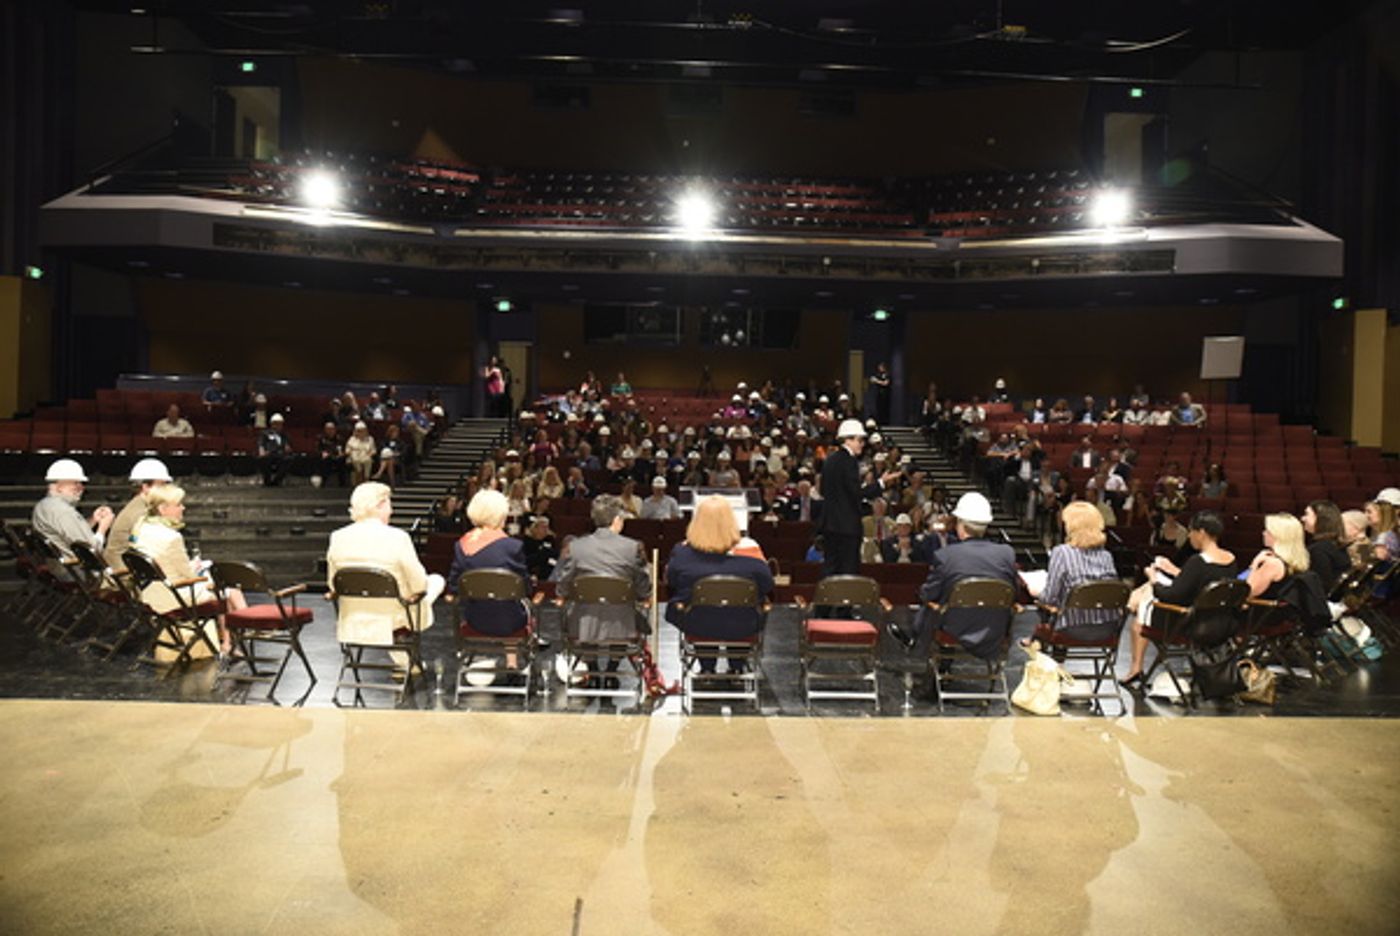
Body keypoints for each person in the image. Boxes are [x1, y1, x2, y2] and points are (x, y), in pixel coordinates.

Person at [326, 482, 444, 657]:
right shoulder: (398, 538)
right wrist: (413, 592)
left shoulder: (337, 537)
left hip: (353, 618)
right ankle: (406, 661)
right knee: (435, 581)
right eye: (389, 504)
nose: (391, 510)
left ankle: (405, 662)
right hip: (394, 618)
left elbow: (333, 584)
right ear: (379, 506)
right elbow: (419, 585)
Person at [1122, 510, 1238, 687]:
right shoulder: (1230, 559)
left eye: (1191, 531)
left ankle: (1136, 667)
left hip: (1187, 623)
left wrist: (1152, 577)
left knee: (1140, 617)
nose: (1189, 535)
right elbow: (1199, 581)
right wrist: (1171, 569)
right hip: (1217, 622)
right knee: (1145, 595)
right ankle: (1133, 602)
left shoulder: (1197, 561)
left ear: (1202, 533)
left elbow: (1170, 596)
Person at [130, 485, 246, 658]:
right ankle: (233, 641)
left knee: (218, 584)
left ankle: (231, 641)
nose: (183, 508)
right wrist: (197, 569)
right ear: (163, 509)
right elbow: (188, 576)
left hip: (149, 592)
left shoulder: (141, 528)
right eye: (178, 504)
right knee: (229, 589)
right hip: (173, 595)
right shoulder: (172, 537)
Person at [664, 495, 774, 673]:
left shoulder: (681, 554)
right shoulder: (751, 551)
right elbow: (767, 585)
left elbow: (672, 581)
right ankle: (737, 667)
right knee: (740, 610)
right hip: (743, 624)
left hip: (696, 622)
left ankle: (707, 668)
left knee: (701, 611)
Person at [555, 495, 652, 682]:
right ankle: (611, 670)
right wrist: (644, 596)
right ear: (617, 520)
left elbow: (564, 584)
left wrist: (563, 596)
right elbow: (643, 587)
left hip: (583, 623)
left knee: (589, 613)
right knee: (621, 614)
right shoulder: (632, 548)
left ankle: (593, 669)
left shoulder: (576, 548)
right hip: (623, 624)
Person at [909, 492, 1018, 659]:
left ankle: (915, 643)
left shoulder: (946, 555)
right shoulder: (1007, 554)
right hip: (995, 628)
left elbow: (929, 594)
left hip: (955, 628)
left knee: (928, 607)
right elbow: (1013, 593)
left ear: (960, 525)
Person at [819, 419, 901, 576]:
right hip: (847, 527)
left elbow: (824, 490)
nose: (862, 444)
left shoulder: (830, 460)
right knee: (848, 572)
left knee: (830, 570)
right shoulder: (849, 461)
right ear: (848, 439)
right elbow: (856, 493)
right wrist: (881, 483)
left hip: (830, 526)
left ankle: (826, 600)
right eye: (859, 440)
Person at [1030, 501, 1121, 641]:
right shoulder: (1106, 556)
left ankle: (1041, 654)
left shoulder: (1061, 552)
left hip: (1072, 628)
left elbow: (1050, 597)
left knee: (1034, 615)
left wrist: (1035, 591)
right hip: (1109, 628)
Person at [446, 489, 531, 636]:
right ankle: (512, 659)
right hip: (511, 621)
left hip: (476, 620)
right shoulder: (513, 547)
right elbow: (525, 588)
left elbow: (454, 586)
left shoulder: (461, 545)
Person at [31, 459, 113, 560]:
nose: (81, 488)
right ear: (59, 487)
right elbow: (92, 551)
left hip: (57, 566)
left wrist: (93, 520)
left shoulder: (43, 505)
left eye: (81, 483)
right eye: (75, 483)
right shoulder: (63, 511)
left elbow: (68, 531)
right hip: (73, 568)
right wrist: (103, 528)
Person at [104, 457, 172, 572]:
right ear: (145, 487)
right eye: (162, 485)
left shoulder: (137, 505)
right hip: (126, 573)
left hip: (123, 568)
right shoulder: (141, 513)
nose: (166, 490)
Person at [1243, 513, 1310, 600]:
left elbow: (1247, 592)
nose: (1264, 533)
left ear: (1278, 535)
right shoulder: (1298, 560)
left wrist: (1255, 564)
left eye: (1267, 531)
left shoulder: (1272, 564)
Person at [1302, 500, 1350, 593]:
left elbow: (1321, 587)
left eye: (1307, 514)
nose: (1303, 518)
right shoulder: (1333, 545)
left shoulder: (1319, 550)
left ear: (1321, 519)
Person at [522, 514, 560, 582]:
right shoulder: (527, 541)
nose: (546, 530)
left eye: (547, 527)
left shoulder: (549, 540)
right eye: (543, 527)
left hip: (548, 570)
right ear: (535, 528)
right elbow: (526, 559)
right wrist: (542, 554)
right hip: (531, 570)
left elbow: (554, 555)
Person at [258, 413, 290, 486]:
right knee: (262, 459)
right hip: (269, 454)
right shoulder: (265, 433)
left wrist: (287, 448)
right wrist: (262, 451)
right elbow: (261, 444)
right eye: (277, 424)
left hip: (280, 454)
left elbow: (287, 445)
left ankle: (277, 481)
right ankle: (267, 480)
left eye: (280, 424)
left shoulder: (284, 435)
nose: (279, 426)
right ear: (272, 424)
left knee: (289, 459)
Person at [314, 422, 348, 487]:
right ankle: (323, 483)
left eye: (332, 429)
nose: (330, 431)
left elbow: (344, 450)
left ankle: (343, 485)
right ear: (325, 430)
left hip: (337, 457)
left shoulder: (340, 438)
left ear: (335, 429)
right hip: (326, 458)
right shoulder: (321, 439)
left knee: (342, 461)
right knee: (323, 462)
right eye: (328, 429)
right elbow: (317, 450)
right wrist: (322, 453)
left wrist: (342, 454)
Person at [344, 421, 375, 485]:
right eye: (359, 431)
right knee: (355, 459)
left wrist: (371, 453)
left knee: (368, 460)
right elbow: (347, 450)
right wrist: (349, 452)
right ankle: (359, 473)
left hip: (365, 455)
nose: (361, 433)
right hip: (354, 456)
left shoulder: (370, 439)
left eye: (362, 431)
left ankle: (366, 478)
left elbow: (373, 450)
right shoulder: (352, 439)